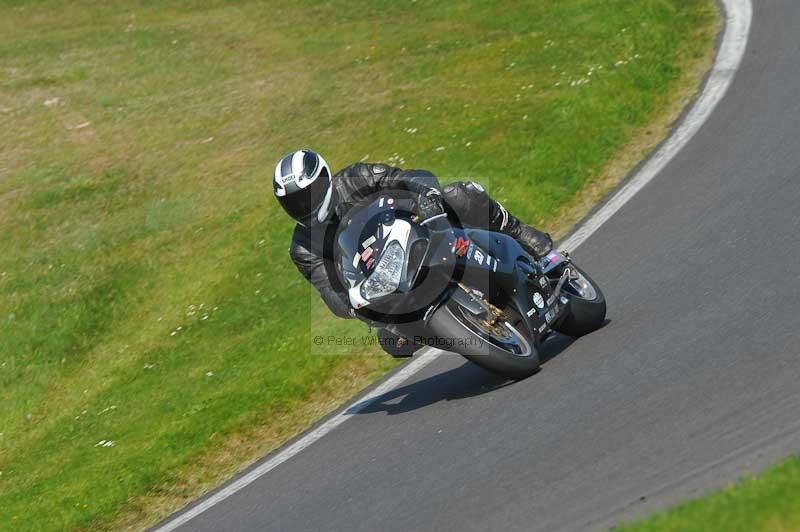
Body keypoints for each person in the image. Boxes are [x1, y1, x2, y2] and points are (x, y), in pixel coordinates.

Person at [273, 148, 553, 355]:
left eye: (307, 195)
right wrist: (352, 307)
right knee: (391, 341)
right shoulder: (302, 246)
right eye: (293, 203)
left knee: (458, 193)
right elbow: (328, 289)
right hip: (384, 285)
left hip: (420, 233)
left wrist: (427, 197)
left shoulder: (356, 177)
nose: (303, 206)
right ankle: (468, 331)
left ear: (324, 178)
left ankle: (519, 233)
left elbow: (407, 179)